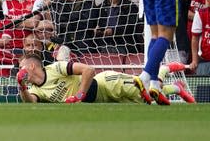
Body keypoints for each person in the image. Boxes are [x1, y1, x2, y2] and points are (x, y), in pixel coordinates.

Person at [17, 53, 194, 103]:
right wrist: (21, 85)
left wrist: (79, 95)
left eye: (21, 67)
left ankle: (162, 70)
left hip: (106, 84)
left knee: (146, 92)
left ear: (32, 66)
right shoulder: (34, 89)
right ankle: (177, 88)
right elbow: (30, 101)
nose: (20, 70)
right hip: (101, 101)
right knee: (149, 102)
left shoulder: (55, 68)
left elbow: (89, 70)